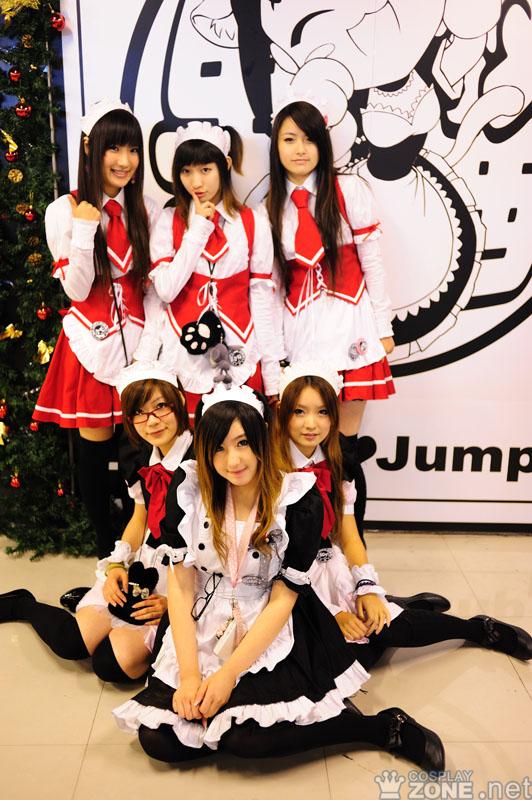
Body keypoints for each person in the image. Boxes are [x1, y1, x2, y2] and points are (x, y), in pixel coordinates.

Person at [113, 383, 445, 771]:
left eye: (242, 443)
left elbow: (283, 599)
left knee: (246, 741)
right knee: (158, 741)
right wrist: (189, 677)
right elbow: (182, 587)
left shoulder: (295, 500)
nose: (232, 460)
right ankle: (228, 723)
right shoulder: (188, 491)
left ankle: (380, 728)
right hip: (204, 621)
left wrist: (226, 677)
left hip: (270, 621)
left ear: (260, 440)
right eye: (218, 448)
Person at [275, 362, 532, 671]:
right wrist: (332, 613)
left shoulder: (337, 463)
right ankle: (401, 606)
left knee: (379, 629)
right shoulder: (267, 469)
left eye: (322, 412)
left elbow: (350, 537)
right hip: (286, 581)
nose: (311, 424)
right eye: (299, 412)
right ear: (282, 413)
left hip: (328, 567)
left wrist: (366, 588)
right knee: (344, 657)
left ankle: (477, 629)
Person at [0, 362, 192, 683]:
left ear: (180, 402)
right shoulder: (141, 457)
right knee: (72, 643)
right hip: (147, 563)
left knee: (109, 665)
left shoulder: (205, 461)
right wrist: (117, 564)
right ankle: (22, 605)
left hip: (188, 577)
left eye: (161, 406)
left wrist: (175, 603)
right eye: (139, 413)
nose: (152, 421)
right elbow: (140, 518)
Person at [33, 99, 161, 557]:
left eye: (133, 149)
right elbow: (77, 288)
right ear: (90, 148)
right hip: (90, 343)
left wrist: (148, 351)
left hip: (140, 347)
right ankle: (107, 551)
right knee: (94, 453)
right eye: (114, 148)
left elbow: (153, 291)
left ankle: (142, 545)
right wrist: (86, 230)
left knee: (140, 450)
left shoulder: (147, 209)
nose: (125, 161)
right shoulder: (63, 211)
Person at [266, 97, 395, 537]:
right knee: (302, 451)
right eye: (289, 139)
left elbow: (373, 261)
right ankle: (309, 545)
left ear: (322, 143)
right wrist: (275, 352)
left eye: (308, 139)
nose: (300, 149)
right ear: (276, 146)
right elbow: (272, 286)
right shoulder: (269, 206)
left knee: (344, 450)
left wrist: (383, 327)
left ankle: (351, 548)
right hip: (300, 334)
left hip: (351, 327)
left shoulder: (349, 191)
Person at [145, 120, 281, 424]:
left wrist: (272, 374)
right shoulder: (168, 221)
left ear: (225, 165)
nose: (196, 182)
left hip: (241, 351)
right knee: (190, 443)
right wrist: (197, 229)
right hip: (184, 354)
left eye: (205, 169)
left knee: (241, 439)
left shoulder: (253, 222)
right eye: (186, 171)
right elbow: (165, 290)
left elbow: (262, 300)